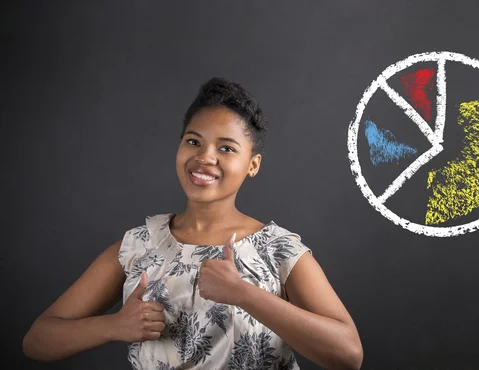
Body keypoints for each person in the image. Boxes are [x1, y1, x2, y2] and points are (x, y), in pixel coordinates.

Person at [23, 77, 363, 369]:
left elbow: (349, 355)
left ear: (253, 164)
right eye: (193, 141)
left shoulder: (279, 250)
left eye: (227, 148)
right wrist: (113, 325)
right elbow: (37, 340)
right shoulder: (139, 246)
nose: (205, 156)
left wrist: (244, 293)